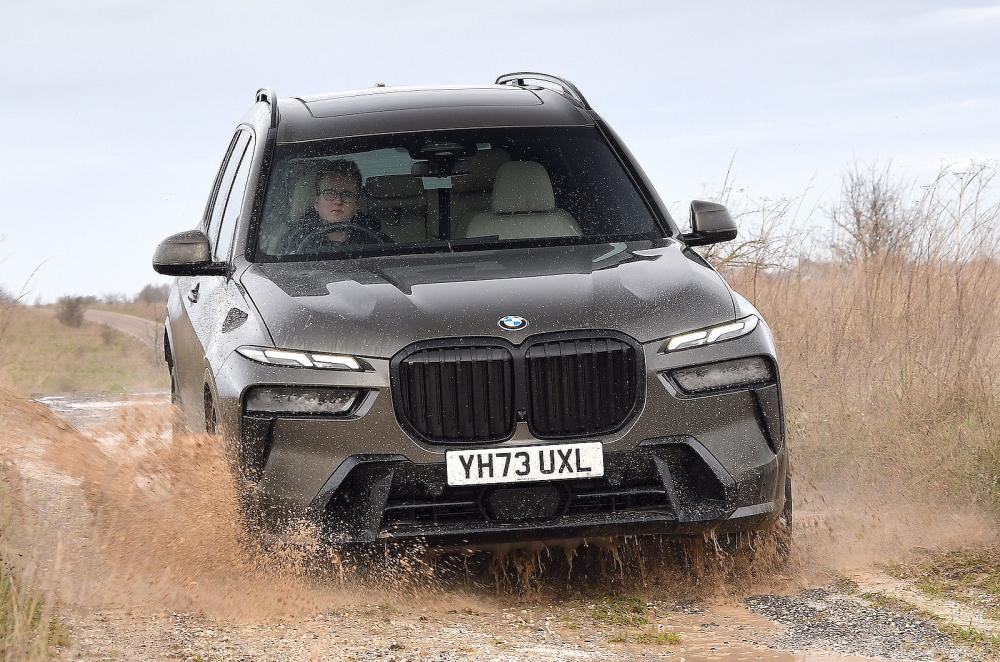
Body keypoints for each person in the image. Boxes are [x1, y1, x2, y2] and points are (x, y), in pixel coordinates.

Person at [281, 159, 382, 252]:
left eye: (347, 195)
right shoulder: (293, 241)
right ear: (316, 202)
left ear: (356, 205)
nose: (338, 201)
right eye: (329, 193)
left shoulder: (376, 239)